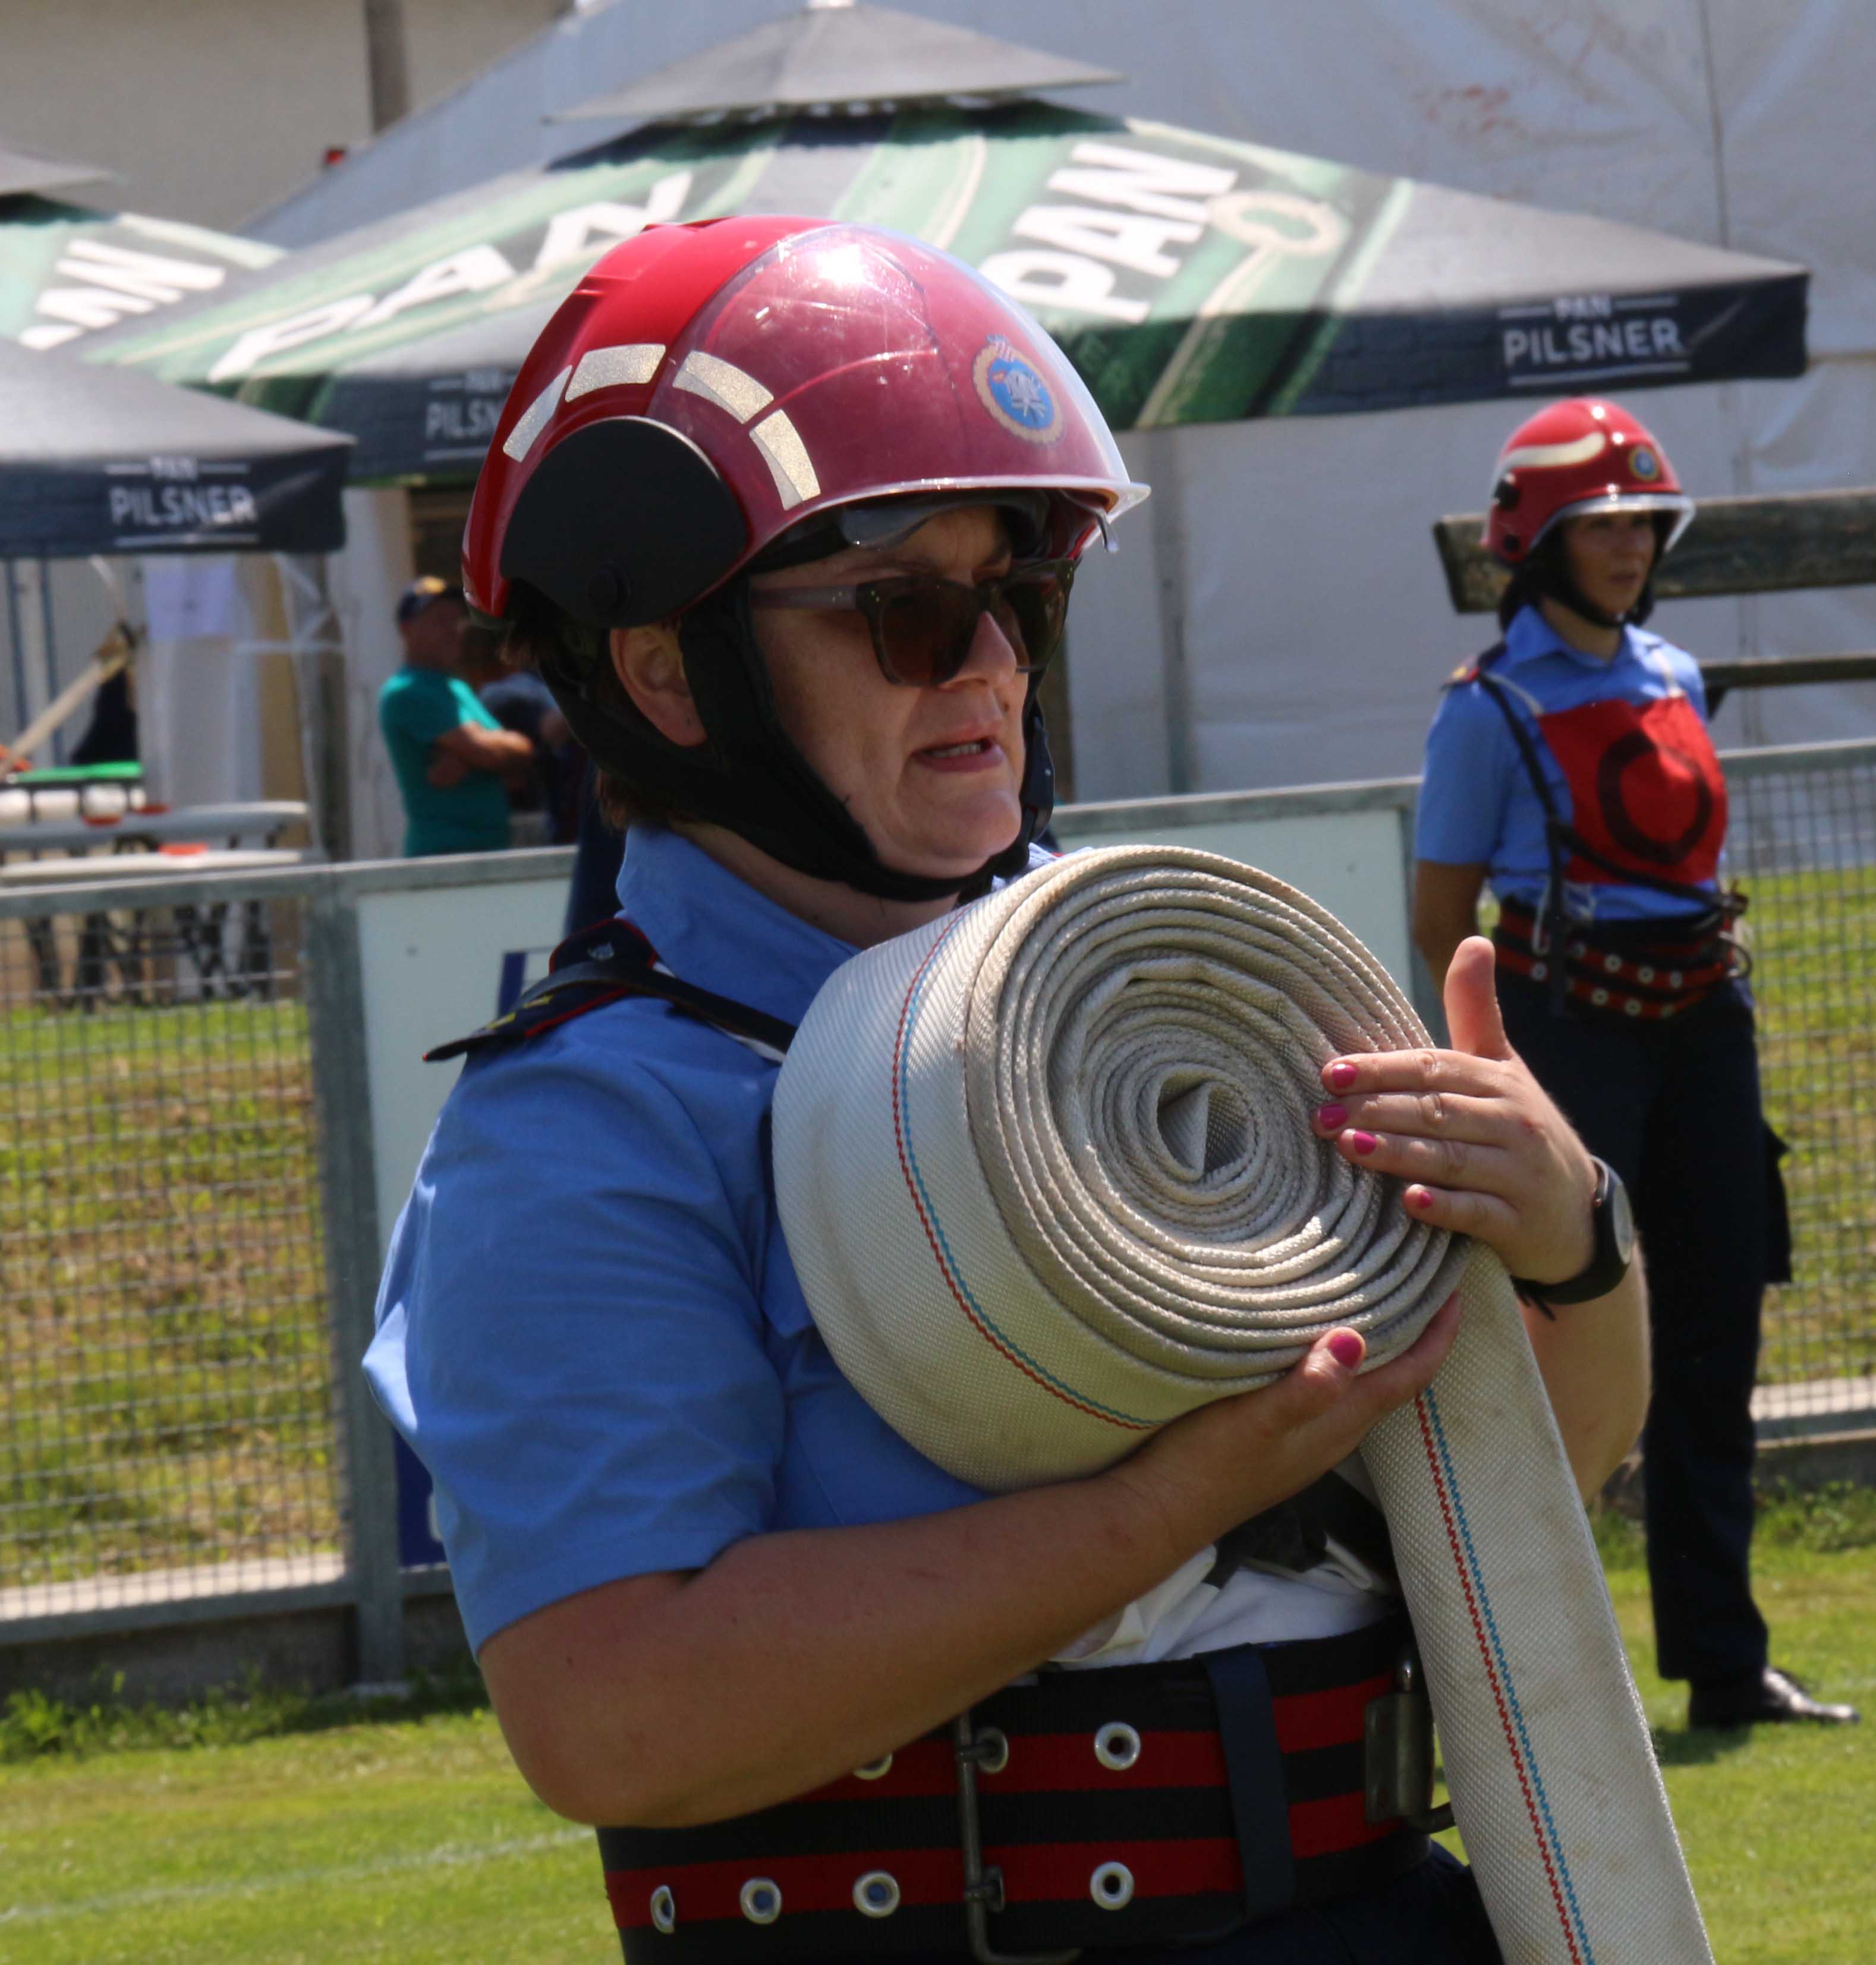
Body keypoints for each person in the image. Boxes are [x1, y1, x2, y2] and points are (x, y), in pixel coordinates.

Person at [367, 221, 1651, 1964]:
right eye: (905, 607)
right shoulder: (586, 1120)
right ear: (667, 666)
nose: (990, 662)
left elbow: (1511, 1496)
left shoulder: (1178, 987)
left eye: (1020, 593)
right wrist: (1158, 1506)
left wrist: (1567, 1243)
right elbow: (617, 1711)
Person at [1413, 396, 1858, 1732]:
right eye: (1602, 523)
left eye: (1645, 522)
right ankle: (1535, 1683)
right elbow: (1443, 917)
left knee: (1716, 1335)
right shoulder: (1486, 711)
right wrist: (1483, 1076)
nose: (1631, 545)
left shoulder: (1673, 676)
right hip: (1570, 1045)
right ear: (1536, 543)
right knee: (1555, 1358)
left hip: (1704, 1033)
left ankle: (1725, 1665)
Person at [376, 575, 533, 856]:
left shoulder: (455, 687)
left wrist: (472, 757)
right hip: (445, 857)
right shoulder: (407, 692)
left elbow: (522, 754)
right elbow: (490, 754)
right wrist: (485, 756)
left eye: (456, 619)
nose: (453, 630)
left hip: (490, 851)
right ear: (407, 629)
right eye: (440, 620)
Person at [457, 622, 581, 843]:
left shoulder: (507, 691)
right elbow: (553, 730)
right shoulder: (501, 694)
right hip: (547, 818)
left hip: (546, 817)